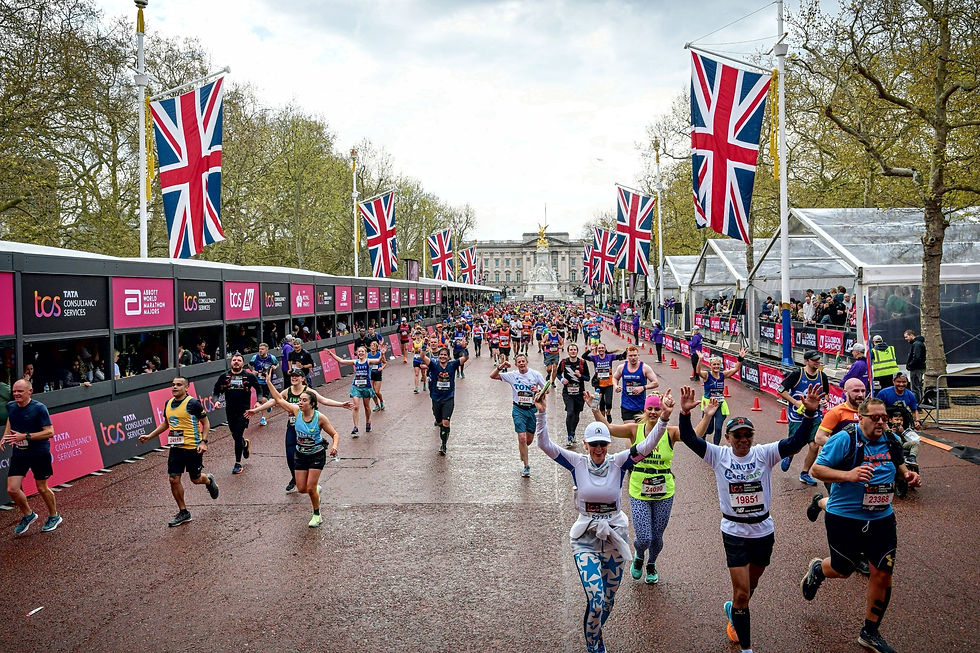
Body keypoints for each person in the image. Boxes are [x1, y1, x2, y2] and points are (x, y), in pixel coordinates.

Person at [677, 384, 822, 653]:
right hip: (734, 530)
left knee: (750, 585)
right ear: (728, 438)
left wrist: (810, 415)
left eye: (747, 435)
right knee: (743, 593)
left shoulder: (764, 453)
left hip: (763, 531)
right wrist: (685, 415)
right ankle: (746, 648)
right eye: (737, 436)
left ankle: (735, 609)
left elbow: (796, 442)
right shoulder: (718, 455)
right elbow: (690, 440)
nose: (743, 440)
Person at [534, 387, 673, 653]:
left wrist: (664, 419)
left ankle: (595, 631)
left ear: (608, 444)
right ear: (585, 445)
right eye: (594, 444)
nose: (598, 449)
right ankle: (594, 645)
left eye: (603, 443)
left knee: (607, 602)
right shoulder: (576, 462)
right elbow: (545, 445)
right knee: (596, 600)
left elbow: (647, 445)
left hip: (614, 539)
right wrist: (541, 415)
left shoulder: (620, 461)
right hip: (585, 539)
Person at [800, 397, 921, 653]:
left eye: (884, 417)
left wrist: (909, 476)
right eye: (875, 417)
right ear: (861, 417)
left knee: (883, 573)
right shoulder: (845, 439)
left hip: (881, 518)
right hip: (846, 517)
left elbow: (900, 468)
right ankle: (818, 569)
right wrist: (849, 475)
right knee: (844, 569)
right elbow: (817, 470)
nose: (880, 422)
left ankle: (870, 632)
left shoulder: (891, 440)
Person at [587, 391, 711, 586]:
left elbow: (695, 435)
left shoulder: (670, 432)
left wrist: (708, 415)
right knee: (644, 537)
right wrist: (595, 409)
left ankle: (651, 563)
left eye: (657, 409)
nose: (653, 412)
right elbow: (609, 428)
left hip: (664, 491)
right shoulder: (635, 429)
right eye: (650, 409)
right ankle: (639, 555)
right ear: (644, 410)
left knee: (657, 537)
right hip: (639, 490)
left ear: (662, 410)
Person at [247, 370, 352, 493]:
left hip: (307, 429)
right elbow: (275, 400)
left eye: (297, 376)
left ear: (302, 378)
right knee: (290, 455)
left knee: (307, 452)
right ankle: (295, 478)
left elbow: (324, 400)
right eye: (292, 376)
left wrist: (341, 404)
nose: (294, 378)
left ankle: (310, 479)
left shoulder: (309, 392)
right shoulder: (288, 391)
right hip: (292, 427)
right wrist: (257, 410)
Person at [139, 377, 219, 527]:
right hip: (176, 448)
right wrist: (150, 436)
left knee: (195, 480)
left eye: (179, 385)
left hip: (192, 448)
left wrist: (204, 442)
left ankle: (208, 480)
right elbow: (166, 424)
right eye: (173, 385)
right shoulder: (168, 403)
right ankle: (183, 512)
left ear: (186, 388)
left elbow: (206, 423)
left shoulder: (193, 403)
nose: (175, 387)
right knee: (173, 479)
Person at [265, 375, 340, 527]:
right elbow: (279, 400)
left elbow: (335, 434)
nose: (300, 402)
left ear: (312, 404)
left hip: (317, 454)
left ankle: (317, 515)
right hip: (300, 454)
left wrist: (334, 446)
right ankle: (316, 491)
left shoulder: (320, 418)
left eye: (304, 400)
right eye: (300, 400)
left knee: (310, 487)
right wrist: (268, 383)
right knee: (301, 489)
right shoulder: (295, 411)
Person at [1, 380, 60, 534]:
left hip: (39, 452)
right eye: (14, 391)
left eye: (20, 391)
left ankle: (54, 516)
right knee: (12, 489)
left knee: (41, 487)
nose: (16, 394)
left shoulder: (39, 408)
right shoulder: (11, 406)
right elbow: (11, 418)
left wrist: (25, 436)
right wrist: (6, 435)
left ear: (30, 391)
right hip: (20, 452)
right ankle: (28, 515)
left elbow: (50, 432)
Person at [491, 353, 547, 477]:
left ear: (527, 362)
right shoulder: (512, 375)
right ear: (516, 364)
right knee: (522, 438)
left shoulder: (535, 375)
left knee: (528, 440)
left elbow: (546, 389)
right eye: (519, 362)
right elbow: (493, 376)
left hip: (532, 410)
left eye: (523, 361)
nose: (521, 363)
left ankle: (523, 449)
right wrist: (501, 366)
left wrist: (538, 391)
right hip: (518, 409)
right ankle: (526, 466)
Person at [778, 350, 830, 477]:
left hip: (815, 415)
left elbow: (826, 395)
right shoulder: (797, 374)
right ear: (806, 361)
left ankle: (805, 472)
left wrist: (824, 402)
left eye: (818, 359)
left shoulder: (822, 376)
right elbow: (781, 390)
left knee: (814, 445)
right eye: (814, 360)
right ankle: (789, 456)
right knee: (796, 446)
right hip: (797, 417)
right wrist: (795, 402)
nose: (817, 362)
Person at [212, 354, 261, 475]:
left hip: (244, 411)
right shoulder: (224, 376)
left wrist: (259, 401)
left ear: (243, 363)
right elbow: (216, 390)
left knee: (238, 435)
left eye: (239, 360)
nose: (236, 362)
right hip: (230, 411)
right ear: (231, 363)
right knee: (235, 435)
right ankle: (244, 444)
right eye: (234, 360)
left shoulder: (249, 376)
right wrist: (216, 400)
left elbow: (259, 389)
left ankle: (238, 463)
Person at [694, 348, 746, 444]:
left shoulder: (723, 375)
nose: (716, 366)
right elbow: (698, 372)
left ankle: (716, 449)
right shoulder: (707, 375)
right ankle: (703, 438)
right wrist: (700, 359)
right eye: (714, 364)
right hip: (709, 405)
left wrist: (740, 358)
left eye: (718, 364)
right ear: (710, 366)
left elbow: (735, 369)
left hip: (720, 405)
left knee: (718, 428)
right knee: (709, 429)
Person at [421, 346, 460, 455]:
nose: (443, 356)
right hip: (436, 397)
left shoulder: (452, 365)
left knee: (446, 422)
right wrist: (424, 346)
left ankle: (443, 444)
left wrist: (463, 348)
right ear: (438, 357)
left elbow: (465, 358)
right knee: (439, 421)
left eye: (445, 355)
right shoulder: (434, 365)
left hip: (449, 398)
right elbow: (422, 357)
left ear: (448, 357)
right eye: (441, 355)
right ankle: (438, 421)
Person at [329, 346, 374, 436]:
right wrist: (331, 354)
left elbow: (378, 360)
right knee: (356, 406)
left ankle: (368, 421)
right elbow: (341, 361)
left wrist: (383, 354)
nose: (360, 353)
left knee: (367, 407)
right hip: (356, 386)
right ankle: (355, 427)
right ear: (357, 353)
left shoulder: (368, 361)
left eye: (362, 351)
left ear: (365, 353)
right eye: (359, 351)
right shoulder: (355, 361)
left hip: (366, 386)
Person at [556, 343, 591, 447]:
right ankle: (569, 436)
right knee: (570, 412)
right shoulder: (563, 362)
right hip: (568, 392)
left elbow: (588, 378)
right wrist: (562, 379)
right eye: (571, 350)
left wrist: (580, 376)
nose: (572, 351)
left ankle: (573, 432)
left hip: (579, 393)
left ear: (577, 351)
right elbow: (558, 373)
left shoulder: (582, 362)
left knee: (576, 415)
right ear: (568, 351)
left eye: (574, 350)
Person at [613, 345, 659, 422]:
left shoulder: (645, 368)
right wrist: (615, 386)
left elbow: (656, 383)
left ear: (638, 356)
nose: (633, 358)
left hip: (641, 406)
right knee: (630, 430)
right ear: (627, 356)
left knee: (640, 431)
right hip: (626, 405)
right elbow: (615, 378)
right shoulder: (621, 367)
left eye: (635, 355)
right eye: (630, 356)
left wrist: (643, 388)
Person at [248, 343, 278, 426]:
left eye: (262, 349)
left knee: (262, 399)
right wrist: (252, 371)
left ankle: (264, 417)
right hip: (258, 381)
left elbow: (276, 364)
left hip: (267, 382)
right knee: (261, 399)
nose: (260, 350)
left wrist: (275, 367)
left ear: (266, 350)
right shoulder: (255, 357)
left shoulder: (272, 357)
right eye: (259, 349)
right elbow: (249, 364)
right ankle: (268, 406)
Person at [903, 329, 926, 402]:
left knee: (915, 388)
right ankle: (919, 403)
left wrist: (910, 365)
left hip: (916, 369)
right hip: (918, 368)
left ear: (911, 335)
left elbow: (916, 357)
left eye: (906, 337)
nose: (905, 339)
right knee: (918, 387)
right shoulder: (918, 344)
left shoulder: (916, 344)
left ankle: (916, 404)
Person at [367, 340, 387, 412]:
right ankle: (377, 405)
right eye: (372, 346)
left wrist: (382, 367)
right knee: (372, 391)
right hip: (371, 374)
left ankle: (381, 401)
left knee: (377, 391)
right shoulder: (367, 355)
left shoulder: (379, 354)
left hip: (378, 373)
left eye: (374, 346)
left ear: (376, 348)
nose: (373, 347)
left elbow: (385, 362)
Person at [411, 328, 429, 394]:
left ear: (421, 335)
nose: (417, 336)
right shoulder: (414, 342)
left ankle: (424, 384)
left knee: (423, 373)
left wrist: (422, 350)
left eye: (418, 334)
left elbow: (428, 349)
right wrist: (414, 350)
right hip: (416, 359)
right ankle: (416, 387)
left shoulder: (423, 341)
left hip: (422, 359)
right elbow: (412, 349)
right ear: (415, 336)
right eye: (416, 335)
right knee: (416, 373)